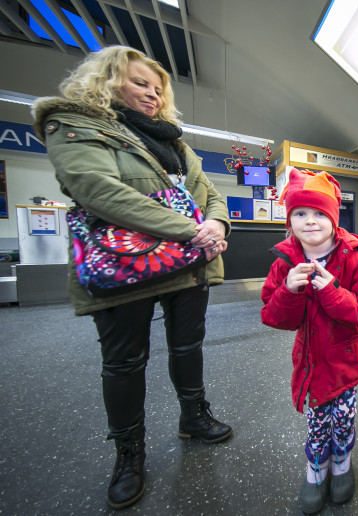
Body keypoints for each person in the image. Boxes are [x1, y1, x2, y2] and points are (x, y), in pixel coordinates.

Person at [32, 46, 233, 509]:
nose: (152, 93)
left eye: (158, 87)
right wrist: (194, 230)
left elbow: (210, 193)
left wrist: (217, 224)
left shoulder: (175, 143)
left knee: (189, 346)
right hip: (124, 266)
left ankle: (193, 416)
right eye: (140, 82)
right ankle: (129, 453)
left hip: (188, 264)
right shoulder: (74, 125)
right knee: (124, 362)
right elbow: (100, 191)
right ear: (107, 80)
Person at [260, 168, 358, 514]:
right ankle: (316, 471)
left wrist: (330, 291)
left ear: (333, 217)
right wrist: (289, 290)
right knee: (317, 422)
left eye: (319, 213)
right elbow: (272, 315)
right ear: (289, 220)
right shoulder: (285, 262)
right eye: (300, 213)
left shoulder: (354, 256)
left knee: (343, 418)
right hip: (312, 362)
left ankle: (342, 464)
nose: (310, 221)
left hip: (346, 359)